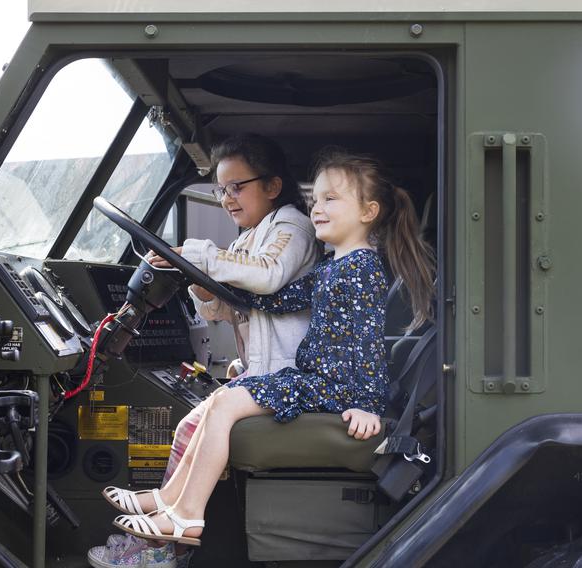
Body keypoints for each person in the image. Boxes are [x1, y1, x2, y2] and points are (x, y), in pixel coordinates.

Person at [111, 149, 436, 546]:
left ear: (369, 212)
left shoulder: (360, 269)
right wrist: (205, 277)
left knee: (225, 404)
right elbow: (273, 300)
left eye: (331, 199)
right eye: (315, 199)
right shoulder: (333, 266)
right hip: (319, 381)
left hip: (333, 388)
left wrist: (368, 404)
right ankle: (170, 499)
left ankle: (187, 514)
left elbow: (365, 343)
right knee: (220, 401)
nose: (317, 208)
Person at [97, 134, 318, 562]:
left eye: (238, 186)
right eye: (221, 189)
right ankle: (163, 523)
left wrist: (200, 255)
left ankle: (164, 538)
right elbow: (225, 310)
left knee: (204, 419)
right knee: (185, 428)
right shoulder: (247, 239)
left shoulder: (292, 225)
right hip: (262, 370)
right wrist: (198, 283)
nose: (228, 199)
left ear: (272, 186)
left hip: (286, 373)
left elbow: (270, 275)